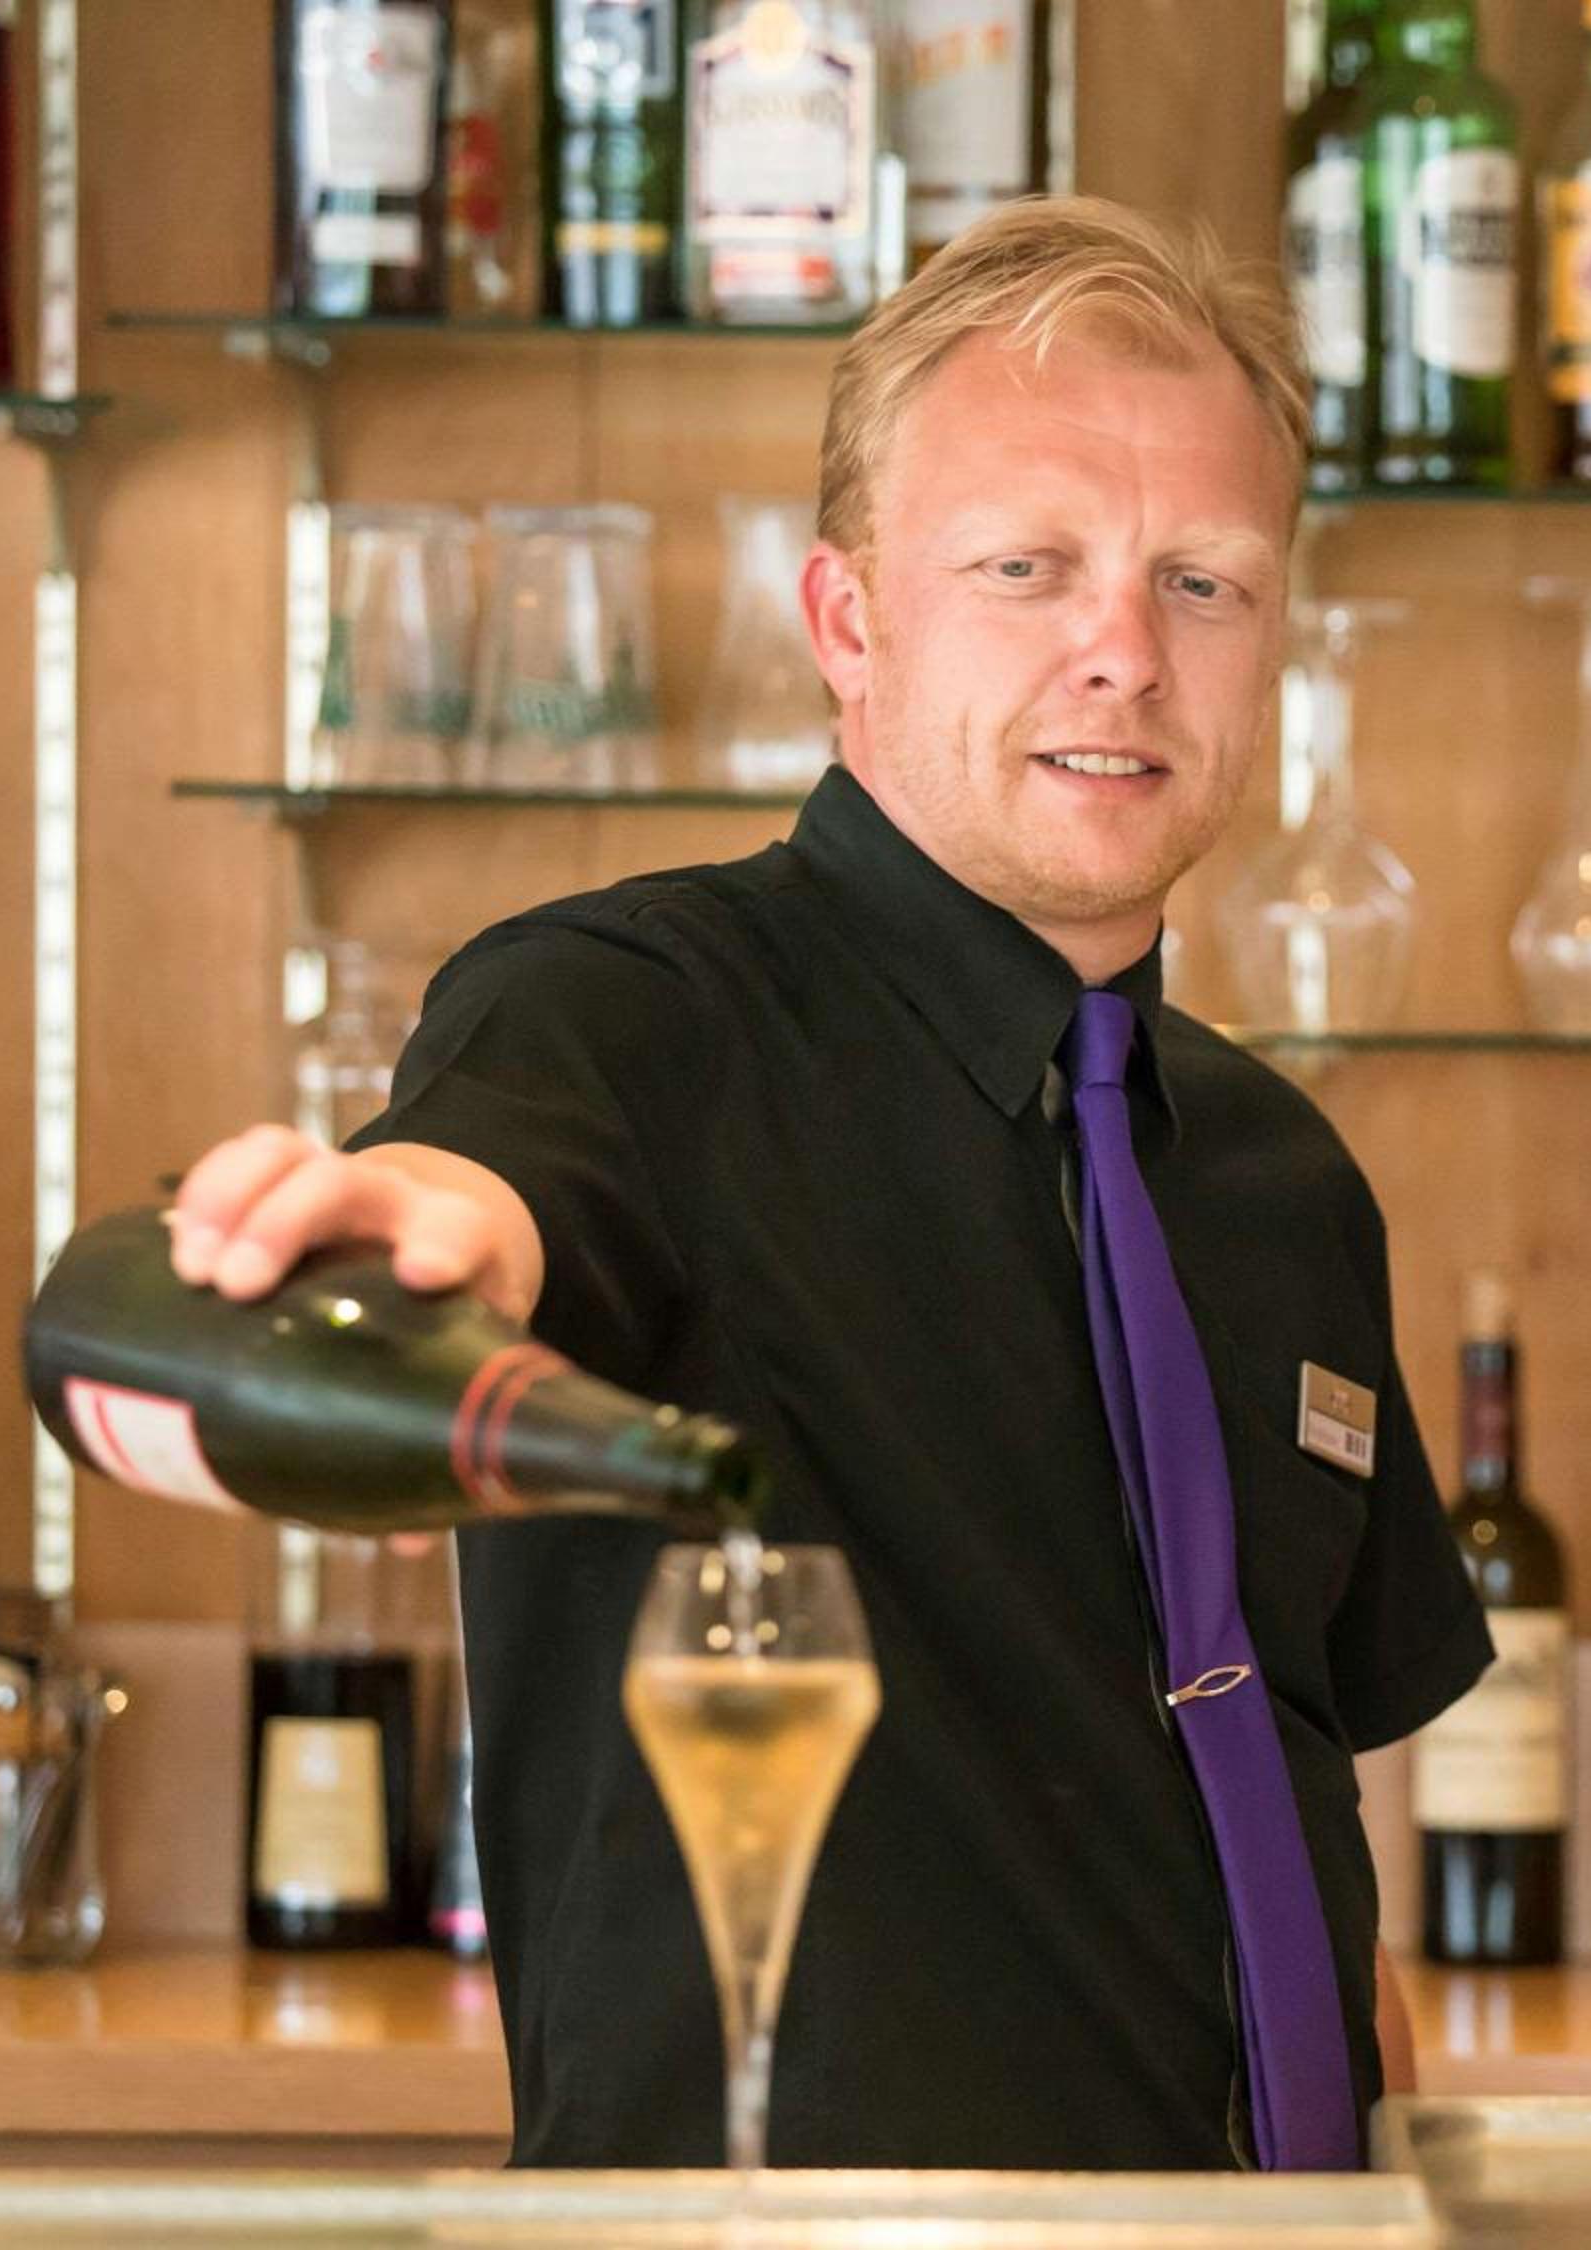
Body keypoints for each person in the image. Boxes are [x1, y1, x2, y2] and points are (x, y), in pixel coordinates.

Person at [163, 199, 1493, 2171]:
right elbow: (488, 1191)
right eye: (1026, 568)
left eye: (1203, 582)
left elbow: (1294, 1817)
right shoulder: (628, 1016)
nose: (1125, 654)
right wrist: (418, 1254)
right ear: (851, 622)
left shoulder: (1283, 1178)